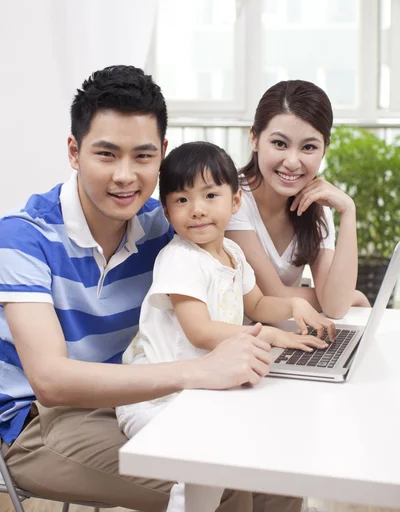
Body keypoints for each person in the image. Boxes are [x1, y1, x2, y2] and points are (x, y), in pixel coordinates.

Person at [0, 65, 275, 512]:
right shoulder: (22, 236)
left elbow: (240, 278)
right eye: (106, 155)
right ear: (74, 151)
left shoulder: (166, 225)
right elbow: (50, 381)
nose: (125, 175)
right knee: (221, 477)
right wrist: (199, 374)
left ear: (162, 155)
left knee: (272, 467)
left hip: (135, 396)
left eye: (143, 157)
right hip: (36, 422)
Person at [117, 141, 335, 512]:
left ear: (234, 203)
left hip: (204, 388)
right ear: (167, 211)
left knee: (270, 431)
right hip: (157, 397)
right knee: (205, 463)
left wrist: (295, 303)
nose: (197, 210)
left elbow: (258, 304)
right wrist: (267, 334)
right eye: (182, 200)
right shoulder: (179, 260)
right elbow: (199, 331)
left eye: (210, 195)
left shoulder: (232, 254)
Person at [226, 79, 370, 320]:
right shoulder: (232, 199)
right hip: (234, 340)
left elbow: (334, 307)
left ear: (325, 148)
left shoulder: (317, 206)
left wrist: (348, 210)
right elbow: (273, 297)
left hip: (283, 336)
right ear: (254, 138)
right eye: (279, 144)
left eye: (309, 147)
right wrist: (348, 296)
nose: (292, 162)